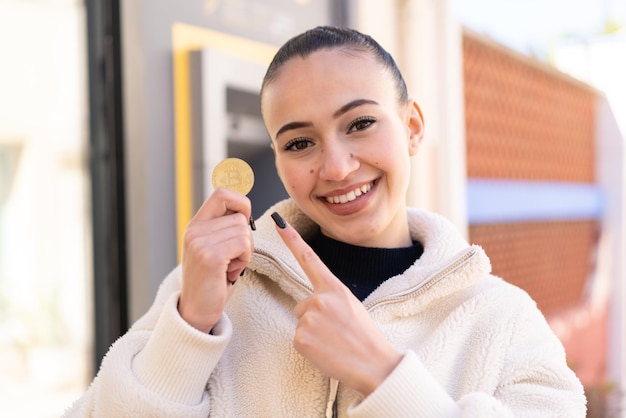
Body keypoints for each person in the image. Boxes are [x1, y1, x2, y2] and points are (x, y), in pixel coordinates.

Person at [64, 26, 586, 417]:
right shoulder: (211, 292)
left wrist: (385, 375)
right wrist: (190, 328)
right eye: (299, 143)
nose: (336, 168)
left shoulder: (499, 318)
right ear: (277, 157)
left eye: (359, 124)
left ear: (412, 127)